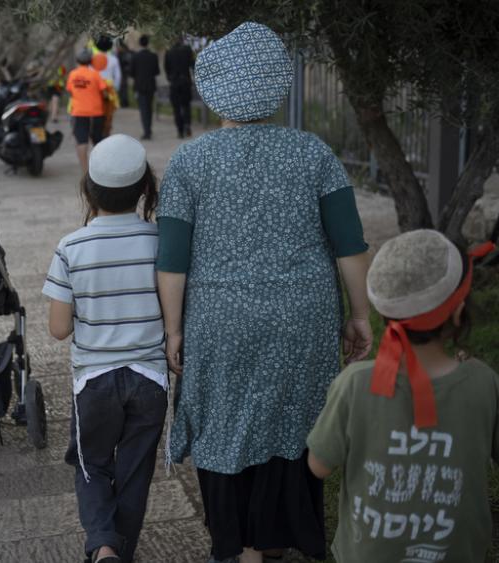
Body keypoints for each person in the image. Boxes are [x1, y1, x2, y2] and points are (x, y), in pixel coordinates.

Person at [155, 22, 373, 563]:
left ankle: (240, 546)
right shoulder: (314, 153)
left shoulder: (190, 162)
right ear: (278, 84)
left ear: (214, 88)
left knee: (224, 421)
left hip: (219, 315)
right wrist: (361, 315)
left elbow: (173, 261)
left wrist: (174, 328)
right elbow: (350, 245)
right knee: (294, 420)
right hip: (303, 312)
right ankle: (279, 539)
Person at [307, 230, 498, 563]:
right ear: (456, 313)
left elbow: (318, 465)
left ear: (385, 311)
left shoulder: (354, 384)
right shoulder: (484, 382)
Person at [44, 134, 166, 563]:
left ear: (88, 189)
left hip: (94, 382)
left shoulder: (71, 247)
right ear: (144, 189)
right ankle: (121, 552)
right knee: (134, 475)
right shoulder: (160, 241)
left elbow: (59, 329)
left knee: (92, 464)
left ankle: (103, 545)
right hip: (150, 380)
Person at [66, 49, 107, 175]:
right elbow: (104, 92)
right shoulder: (95, 74)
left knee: (81, 142)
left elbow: (70, 90)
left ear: (77, 60)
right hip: (96, 112)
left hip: (79, 112)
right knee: (98, 141)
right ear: (90, 61)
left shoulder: (72, 74)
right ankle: (99, 170)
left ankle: (85, 172)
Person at [130, 35, 160, 140]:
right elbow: (157, 71)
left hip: (139, 87)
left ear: (140, 43)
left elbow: (131, 73)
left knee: (143, 110)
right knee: (149, 108)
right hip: (151, 86)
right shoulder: (153, 56)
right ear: (148, 43)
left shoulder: (135, 56)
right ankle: (149, 129)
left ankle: (146, 131)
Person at [164, 35, 194, 138]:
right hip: (185, 81)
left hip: (174, 83)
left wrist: (171, 78)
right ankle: (187, 125)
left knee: (176, 108)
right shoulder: (188, 50)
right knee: (186, 106)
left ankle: (180, 130)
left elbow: (166, 69)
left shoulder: (169, 52)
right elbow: (192, 65)